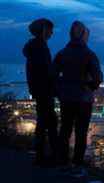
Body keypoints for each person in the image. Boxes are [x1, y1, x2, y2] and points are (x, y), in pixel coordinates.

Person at [54, 21, 103, 176]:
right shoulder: (89, 54)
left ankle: (62, 162)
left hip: (66, 97)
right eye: (87, 35)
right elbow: (97, 77)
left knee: (65, 130)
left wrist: (60, 90)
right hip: (83, 99)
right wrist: (90, 86)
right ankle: (77, 165)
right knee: (81, 132)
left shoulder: (62, 53)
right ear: (83, 35)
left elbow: (52, 75)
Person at [23, 18, 58, 166]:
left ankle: (42, 155)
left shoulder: (34, 47)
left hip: (39, 90)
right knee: (48, 122)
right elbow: (45, 71)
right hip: (44, 90)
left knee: (44, 122)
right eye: (50, 30)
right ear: (43, 30)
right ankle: (48, 156)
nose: (52, 33)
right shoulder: (40, 48)